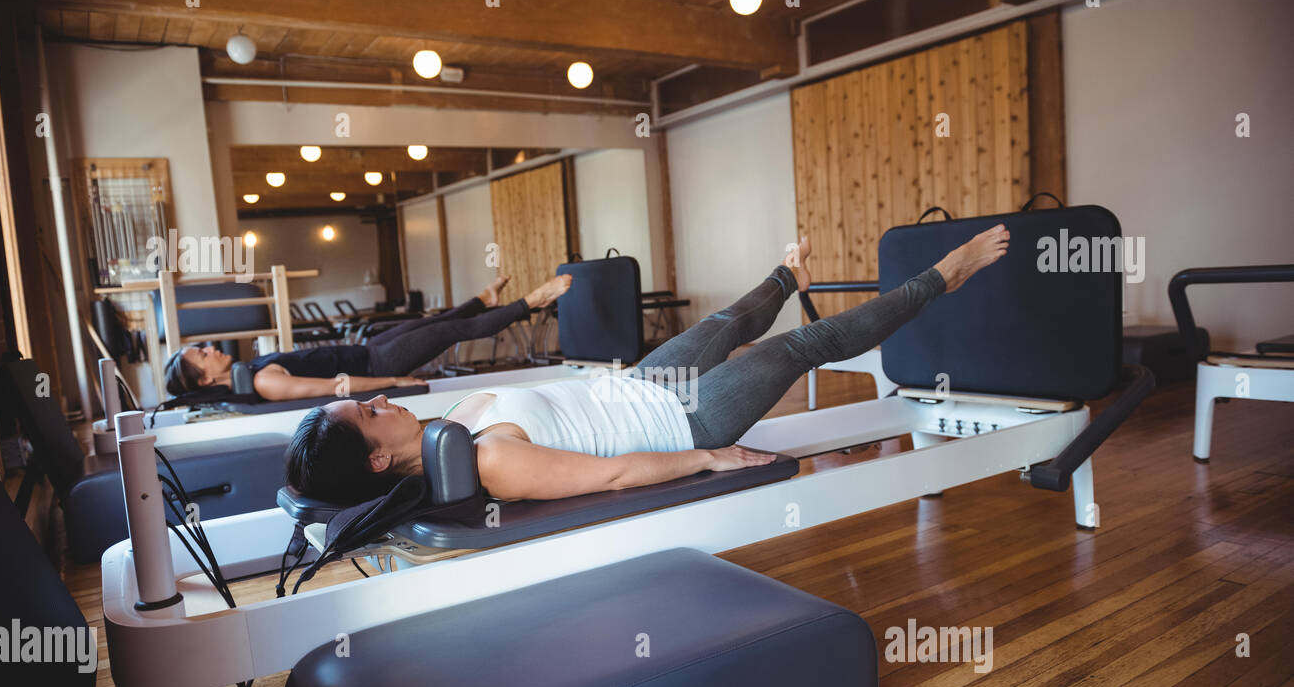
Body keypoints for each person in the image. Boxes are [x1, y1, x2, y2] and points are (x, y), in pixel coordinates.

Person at [285, 224, 1011, 503]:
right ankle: (945, 275)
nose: (381, 402)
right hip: (687, 419)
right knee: (799, 347)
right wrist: (708, 459)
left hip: (636, 385)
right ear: (378, 459)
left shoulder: (446, 425)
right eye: (369, 414)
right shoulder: (484, 461)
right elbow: (614, 472)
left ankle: (790, 277)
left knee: (726, 321)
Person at [163, 273, 571, 401]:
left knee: (434, 321)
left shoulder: (252, 371)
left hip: (367, 351)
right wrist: (395, 381)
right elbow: (339, 388)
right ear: (203, 379)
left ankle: (484, 298)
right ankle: (533, 300)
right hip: (378, 364)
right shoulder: (263, 381)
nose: (210, 348)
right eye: (202, 355)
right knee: (453, 331)